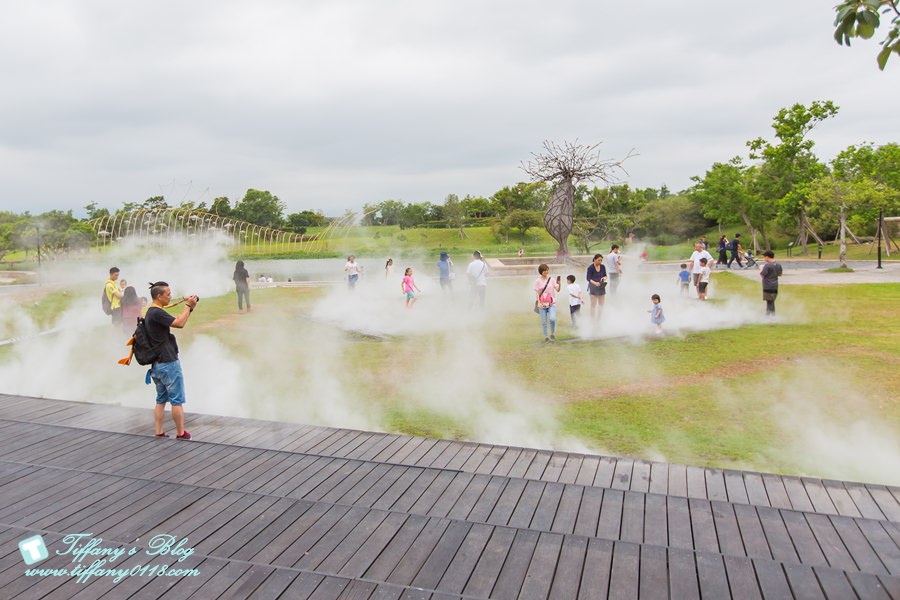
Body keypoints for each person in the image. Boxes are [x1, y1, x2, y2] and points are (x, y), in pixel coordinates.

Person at [145, 281, 198, 440]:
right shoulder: (157, 312)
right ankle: (181, 433)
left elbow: (175, 319)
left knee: (161, 400)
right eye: (167, 294)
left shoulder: (152, 312)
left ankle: (159, 431)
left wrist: (189, 308)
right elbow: (180, 323)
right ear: (159, 296)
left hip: (157, 364)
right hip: (168, 363)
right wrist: (188, 306)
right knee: (176, 401)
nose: (170, 296)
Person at [534, 264, 560, 342]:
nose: (546, 271)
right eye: (545, 270)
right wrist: (539, 302)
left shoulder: (552, 279)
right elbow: (537, 293)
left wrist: (559, 283)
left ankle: (552, 333)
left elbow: (558, 290)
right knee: (544, 321)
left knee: (552, 319)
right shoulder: (537, 281)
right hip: (542, 304)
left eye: (547, 270)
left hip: (551, 303)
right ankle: (546, 336)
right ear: (541, 272)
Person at [759, 251, 783, 317]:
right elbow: (780, 274)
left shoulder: (767, 265)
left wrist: (761, 268)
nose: (764, 258)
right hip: (775, 285)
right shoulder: (778, 265)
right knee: (771, 301)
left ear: (767, 257)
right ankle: (768, 315)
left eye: (764, 257)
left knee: (770, 302)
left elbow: (762, 275)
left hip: (767, 286)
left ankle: (772, 317)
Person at [585, 253, 607, 319]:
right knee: (593, 304)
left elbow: (605, 275)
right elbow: (588, 278)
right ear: (594, 259)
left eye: (601, 260)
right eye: (598, 260)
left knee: (601, 305)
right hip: (593, 287)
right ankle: (592, 319)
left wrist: (604, 278)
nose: (600, 262)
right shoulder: (590, 268)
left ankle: (599, 318)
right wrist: (595, 283)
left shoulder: (603, 267)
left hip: (601, 287)